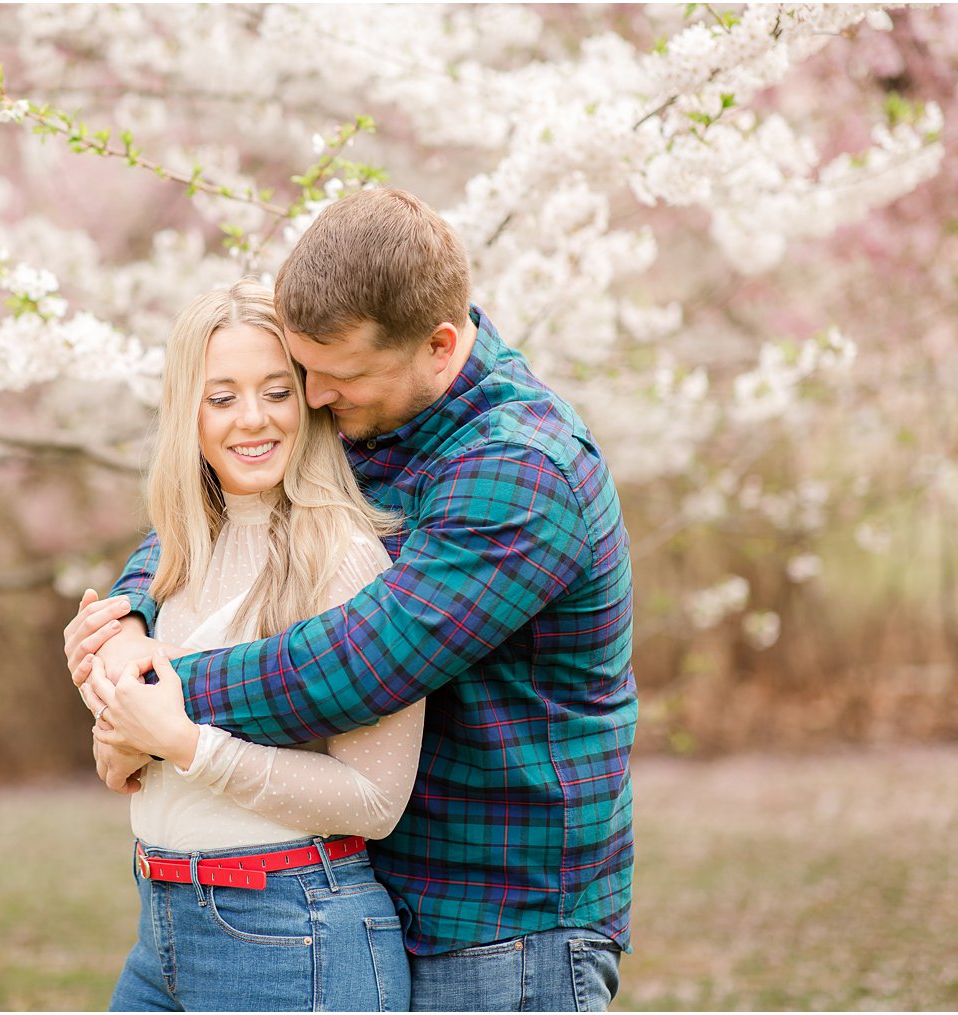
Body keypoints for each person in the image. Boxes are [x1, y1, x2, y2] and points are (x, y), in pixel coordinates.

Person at [69, 187, 636, 1012]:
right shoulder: (378, 408)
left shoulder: (520, 472)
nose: (316, 404)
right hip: (373, 890)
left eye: (332, 380)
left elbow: (357, 663)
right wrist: (129, 616)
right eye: (308, 377)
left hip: (502, 921)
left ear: (439, 346)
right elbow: (231, 508)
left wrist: (155, 711)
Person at [76, 278, 424, 1012]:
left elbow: (375, 800)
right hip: (163, 923)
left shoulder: (345, 557)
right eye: (222, 396)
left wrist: (183, 744)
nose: (252, 420)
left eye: (276, 391)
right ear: (188, 414)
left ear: (308, 400)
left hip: (292, 929)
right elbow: (143, 728)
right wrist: (119, 741)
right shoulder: (173, 557)